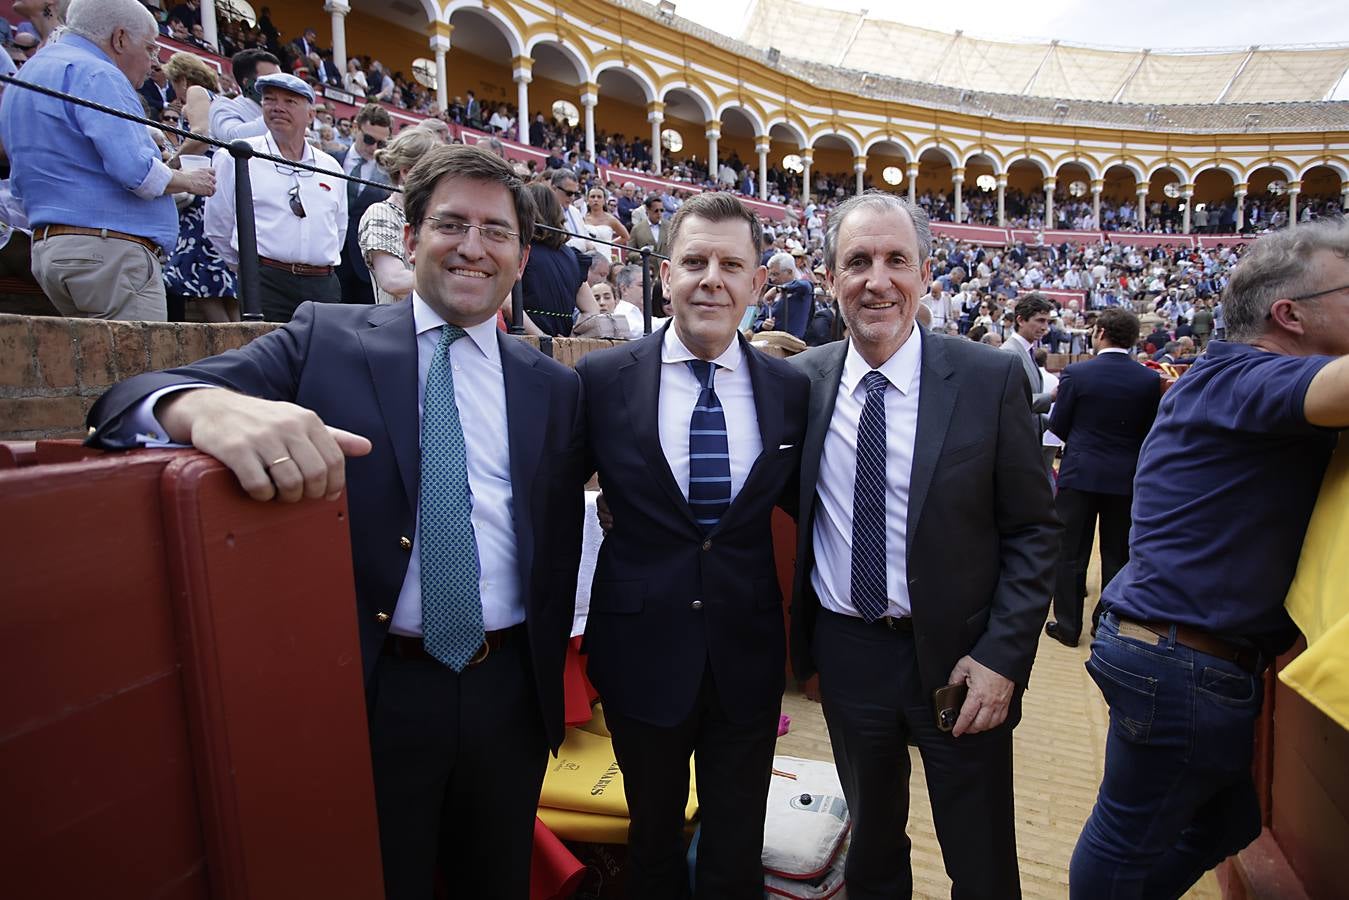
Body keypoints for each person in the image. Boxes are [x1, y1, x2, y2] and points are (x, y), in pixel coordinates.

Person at [84, 143, 585, 900]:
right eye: (452, 224)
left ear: (519, 256)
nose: (473, 247)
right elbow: (126, 399)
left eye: (496, 231)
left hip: (509, 694)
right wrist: (203, 407)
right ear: (409, 238)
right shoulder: (325, 337)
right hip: (376, 692)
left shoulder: (552, 385)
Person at [786, 192, 1059, 899]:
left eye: (895, 260)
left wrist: (1003, 658)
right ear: (829, 279)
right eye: (857, 262)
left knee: (979, 853)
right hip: (850, 656)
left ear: (926, 273)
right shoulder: (800, 383)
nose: (876, 280)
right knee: (871, 845)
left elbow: (1034, 530)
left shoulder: (986, 377)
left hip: (963, 663)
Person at [1070, 217, 1349, 898]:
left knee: (1227, 822)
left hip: (1161, 650)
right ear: (1289, 314)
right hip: (1183, 661)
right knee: (1121, 844)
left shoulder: (1223, 374)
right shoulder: (1252, 378)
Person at [576, 192, 810, 899]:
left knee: (736, 843)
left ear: (755, 284)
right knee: (649, 838)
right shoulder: (600, 380)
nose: (712, 278)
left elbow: (815, 511)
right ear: (665, 274)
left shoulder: (789, 390)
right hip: (639, 653)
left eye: (730, 264)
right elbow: (551, 504)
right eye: (696, 261)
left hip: (746, 654)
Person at [0, 0, 215, 320]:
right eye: (149, 49)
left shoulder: (32, 69)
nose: (152, 61)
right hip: (109, 252)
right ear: (120, 39)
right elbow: (136, 172)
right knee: (144, 366)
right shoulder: (98, 73)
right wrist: (190, 180)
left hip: (53, 250)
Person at [1044, 308, 1161, 648]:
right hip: (1125, 478)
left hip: (1080, 474)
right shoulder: (1147, 379)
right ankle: (1104, 624)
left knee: (1070, 553)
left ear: (1100, 332)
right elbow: (1149, 432)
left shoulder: (1077, 373)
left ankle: (1067, 626)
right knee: (1117, 554)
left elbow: (1059, 426)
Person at [204, 72, 346, 321]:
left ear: (310, 115)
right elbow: (219, 225)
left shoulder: (331, 166)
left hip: (321, 284)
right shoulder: (237, 156)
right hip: (265, 283)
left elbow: (339, 228)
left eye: (290, 102)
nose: (278, 108)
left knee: (322, 358)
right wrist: (249, 269)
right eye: (270, 100)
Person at [161, 51, 237, 322]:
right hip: (220, 188)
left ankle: (232, 350)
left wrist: (170, 164)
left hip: (203, 191)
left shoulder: (195, 91)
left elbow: (200, 135)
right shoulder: (219, 100)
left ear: (181, 78)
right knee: (222, 283)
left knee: (201, 275)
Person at [358, 126, 436, 303]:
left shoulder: (433, 215)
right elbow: (393, 280)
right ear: (406, 172)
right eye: (433, 171)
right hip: (398, 325)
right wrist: (458, 282)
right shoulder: (381, 213)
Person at [519, 181, 598, 336]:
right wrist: (569, 340)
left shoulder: (521, 250)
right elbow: (592, 311)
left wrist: (545, 340)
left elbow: (509, 305)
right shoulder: (572, 256)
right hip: (561, 344)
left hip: (525, 344)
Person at [335, 103, 393, 305]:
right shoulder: (331, 160)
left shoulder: (388, 175)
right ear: (355, 128)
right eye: (368, 139)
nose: (374, 148)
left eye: (381, 143)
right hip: (330, 261)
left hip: (366, 266)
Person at [208, 48, 281, 142]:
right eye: (271, 79)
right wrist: (276, 118)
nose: (280, 84)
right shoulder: (226, 105)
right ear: (248, 83)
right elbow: (231, 137)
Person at [756, 251, 813, 339]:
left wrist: (778, 289)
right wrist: (763, 325)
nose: (772, 279)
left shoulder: (800, 290)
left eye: (775, 274)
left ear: (789, 272)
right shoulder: (771, 295)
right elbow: (758, 321)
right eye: (770, 274)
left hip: (791, 345)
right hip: (769, 342)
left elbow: (806, 285)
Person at [582, 186, 630, 259]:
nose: (596, 199)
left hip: (605, 258)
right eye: (592, 196)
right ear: (588, 200)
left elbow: (625, 236)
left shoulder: (611, 219)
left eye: (599, 197)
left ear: (604, 201)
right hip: (585, 257)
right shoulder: (582, 218)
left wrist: (609, 244)